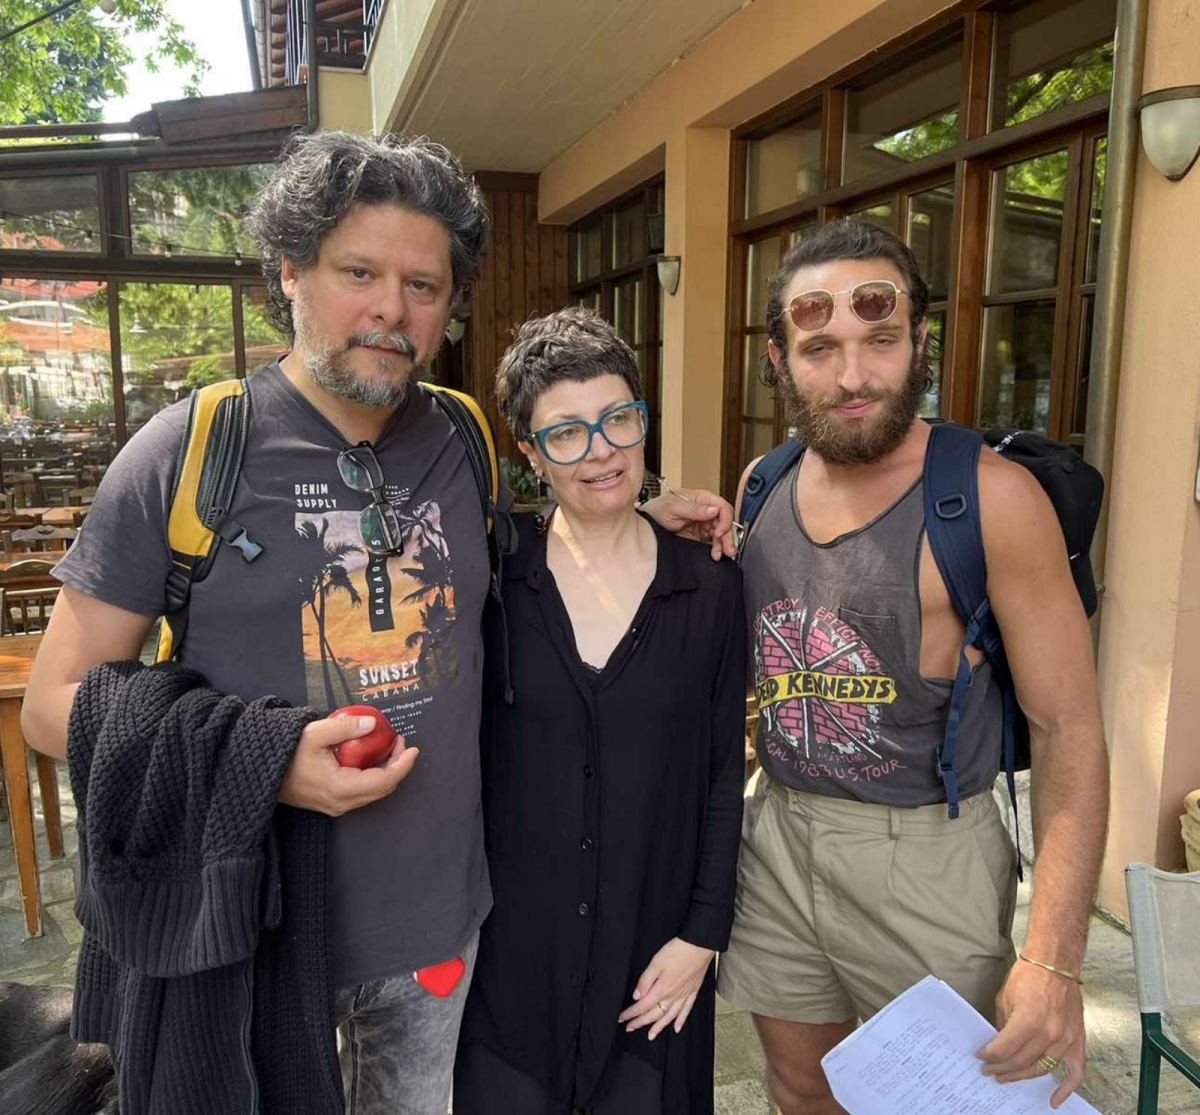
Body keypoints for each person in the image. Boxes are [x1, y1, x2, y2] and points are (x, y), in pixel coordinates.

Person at [20, 130, 733, 1114]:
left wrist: (642, 510)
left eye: (423, 285)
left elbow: (536, 541)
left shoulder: (462, 437)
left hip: (440, 937)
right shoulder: (187, 452)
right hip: (254, 933)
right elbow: (51, 706)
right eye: (359, 272)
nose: (393, 309)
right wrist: (265, 761)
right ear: (291, 270)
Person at [716, 220, 1109, 1114]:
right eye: (820, 348)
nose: (853, 376)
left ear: (920, 343)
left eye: (881, 340)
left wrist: (1054, 958)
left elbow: (1069, 727)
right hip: (779, 832)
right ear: (779, 360)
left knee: (948, 1102)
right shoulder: (762, 485)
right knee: (801, 1088)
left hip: (929, 852)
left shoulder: (991, 498)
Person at [453, 308, 746, 1115]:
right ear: (529, 453)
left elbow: (724, 772)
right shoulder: (494, 578)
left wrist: (703, 936)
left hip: (655, 963)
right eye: (566, 433)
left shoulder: (709, 585)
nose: (601, 451)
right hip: (516, 966)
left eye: (619, 419)